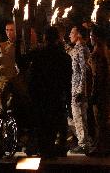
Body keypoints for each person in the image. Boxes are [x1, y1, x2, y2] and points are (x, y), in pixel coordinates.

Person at [28, 26, 72, 158]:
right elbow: (67, 80)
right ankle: (51, 148)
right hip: (56, 94)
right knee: (53, 123)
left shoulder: (38, 53)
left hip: (41, 94)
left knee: (43, 123)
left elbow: (21, 62)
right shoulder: (64, 57)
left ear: (45, 37)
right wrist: (68, 97)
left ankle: (45, 149)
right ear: (58, 38)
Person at [68, 25, 93, 154]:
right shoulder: (77, 48)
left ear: (78, 34)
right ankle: (84, 141)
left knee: (80, 116)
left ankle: (83, 143)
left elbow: (84, 70)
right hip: (75, 88)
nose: (69, 35)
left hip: (78, 89)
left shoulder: (82, 49)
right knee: (76, 116)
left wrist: (81, 90)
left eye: (72, 32)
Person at [87, 26, 109, 156]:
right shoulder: (105, 51)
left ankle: (101, 147)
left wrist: (94, 93)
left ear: (96, 37)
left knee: (100, 120)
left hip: (101, 92)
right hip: (105, 91)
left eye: (91, 36)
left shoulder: (97, 54)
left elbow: (97, 75)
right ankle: (101, 144)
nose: (90, 39)